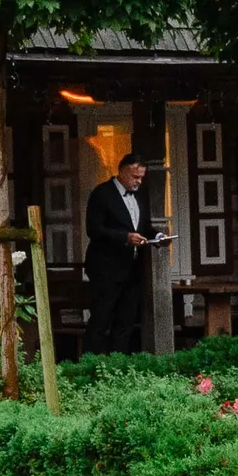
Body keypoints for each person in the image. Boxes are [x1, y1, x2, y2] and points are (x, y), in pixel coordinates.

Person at [82, 152, 164, 356]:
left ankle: (118, 364)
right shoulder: (102, 194)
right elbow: (94, 229)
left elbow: (144, 226)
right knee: (101, 320)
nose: (139, 181)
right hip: (106, 269)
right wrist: (125, 238)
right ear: (122, 171)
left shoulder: (140, 195)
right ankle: (88, 365)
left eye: (142, 177)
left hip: (132, 269)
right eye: (135, 176)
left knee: (126, 322)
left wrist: (159, 236)